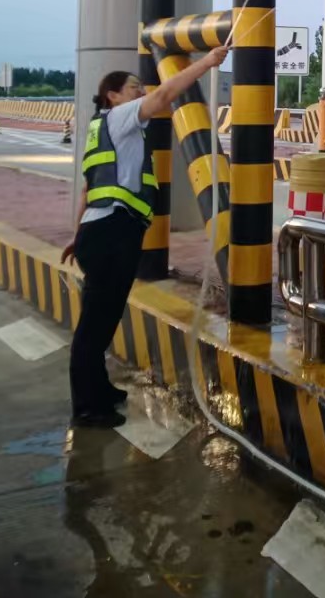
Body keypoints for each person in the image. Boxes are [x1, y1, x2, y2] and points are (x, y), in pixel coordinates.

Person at [61, 49, 226, 427]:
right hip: (112, 232)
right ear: (113, 96)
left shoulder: (101, 129)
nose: (141, 92)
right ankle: (86, 407)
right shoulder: (120, 117)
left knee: (102, 318)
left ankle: (99, 390)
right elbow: (165, 95)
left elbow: (88, 189)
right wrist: (206, 63)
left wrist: (78, 234)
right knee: (94, 326)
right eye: (134, 87)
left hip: (101, 231)